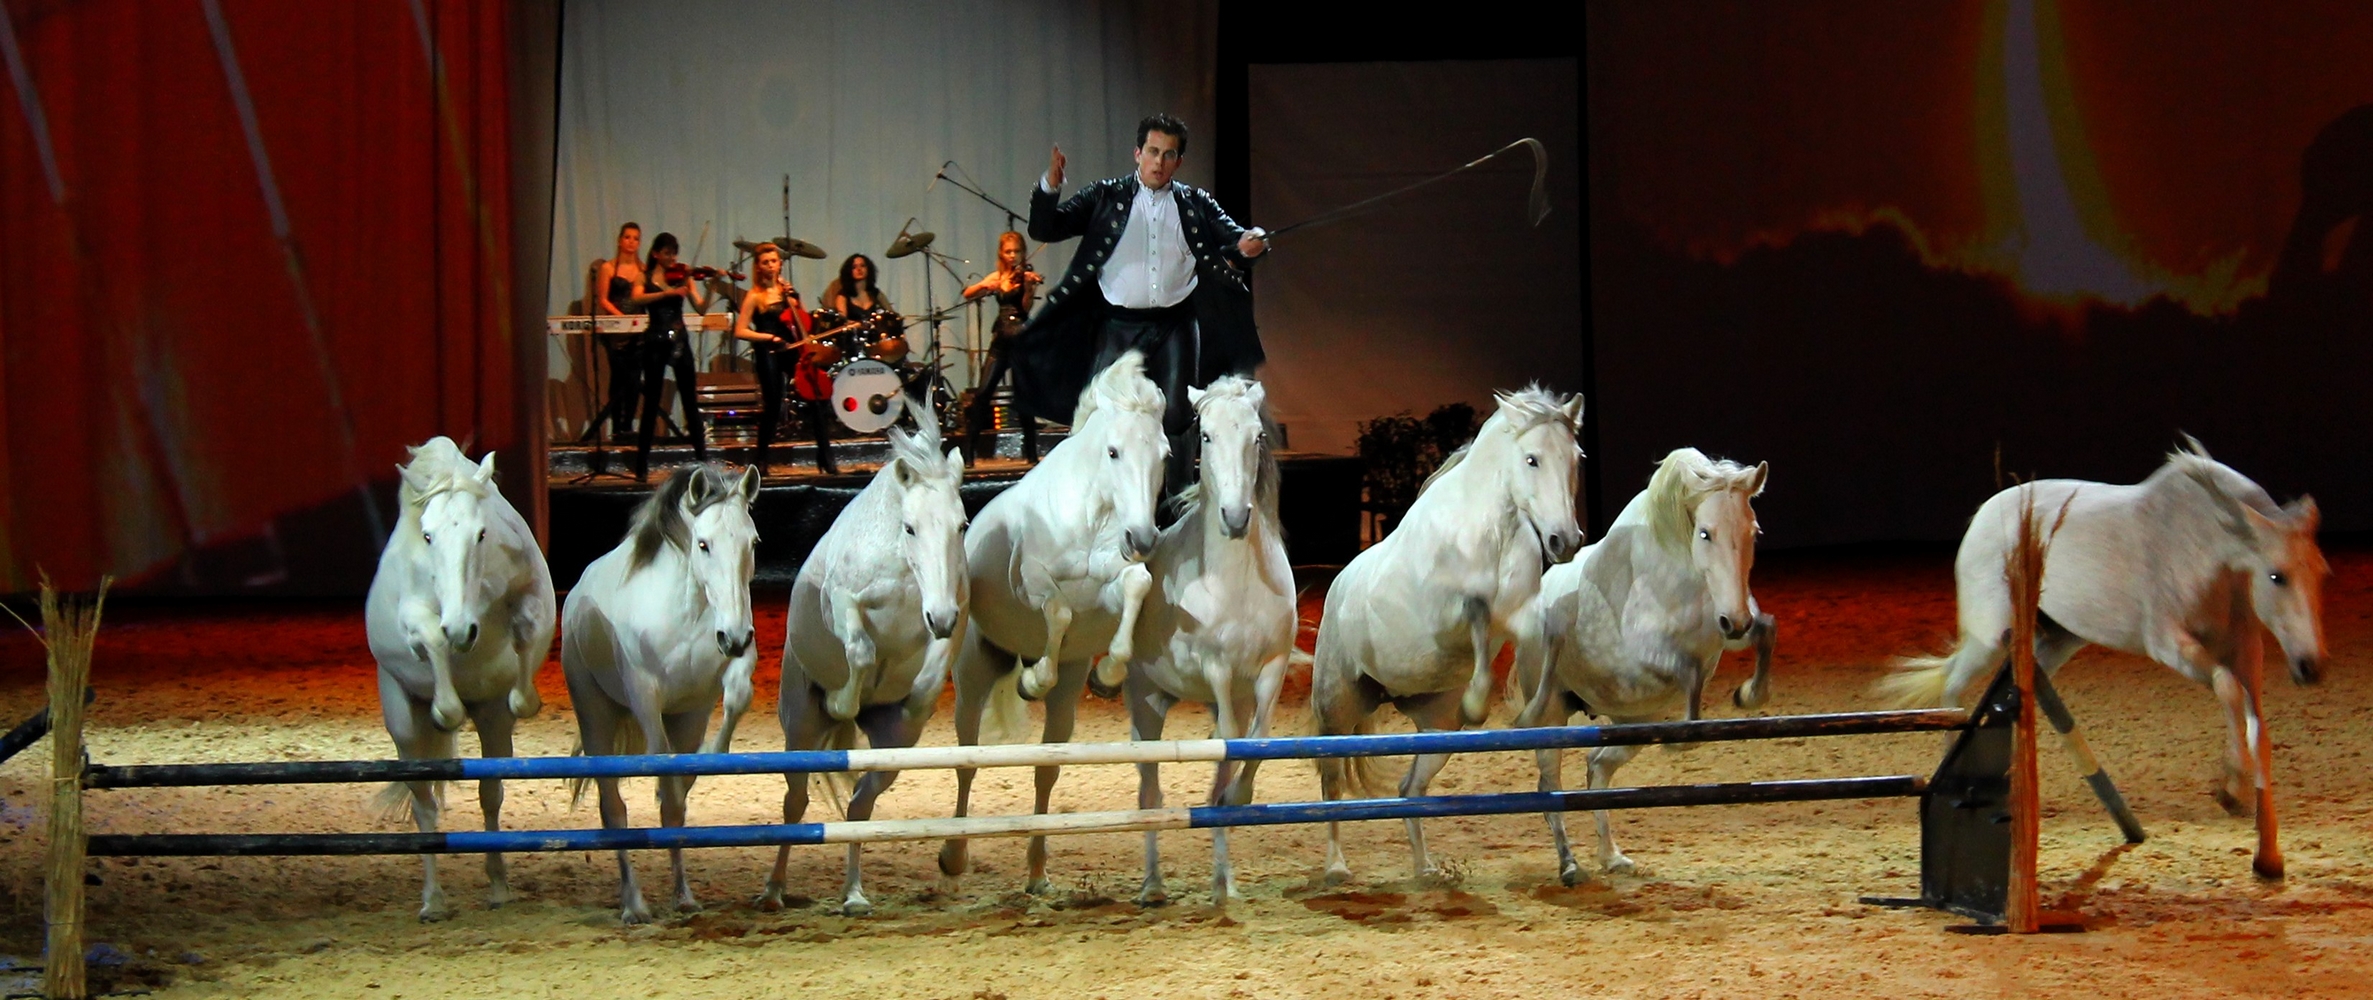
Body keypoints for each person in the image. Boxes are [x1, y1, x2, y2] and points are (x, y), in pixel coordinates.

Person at [1009, 112, 1268, 490]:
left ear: (1178, 161)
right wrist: (1050, 186)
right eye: (1152, 151)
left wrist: (1253, 241)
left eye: (1168, 155)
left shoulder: (1195, 203)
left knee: (1179, 416)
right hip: (1117, 326)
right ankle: (1095, 501)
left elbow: (1239, 238)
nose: (1158, 162)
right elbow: (1045, 228)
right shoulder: (1105, 196)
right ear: (1137, 153)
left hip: (1176, 325)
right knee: (1102, 412)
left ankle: (1178, 504)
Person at [734, 243, 839, 475]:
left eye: (774, 261)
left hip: (792, 350)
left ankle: (826, 456)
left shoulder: (788, 292)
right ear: (758, 268)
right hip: (769, 351)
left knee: (816, 399)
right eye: (765, 262)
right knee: (772, 404)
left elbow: (802, 322)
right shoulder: (754, 296)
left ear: (779, 263)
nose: (770, 266)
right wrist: (769, 337)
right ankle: (760, 459)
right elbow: (740, 330)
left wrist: (794, 300)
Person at [628, 231, 711, 481]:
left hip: (679, 341)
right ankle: (641, 463)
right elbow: (636, 298)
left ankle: (702, 461)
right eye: (667, 253)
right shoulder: (645, 276)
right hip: (655, 340)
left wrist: (712, 285)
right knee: (652, 401)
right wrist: (666, 293)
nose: (672, 257)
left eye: (674, 253)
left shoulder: (683, 277)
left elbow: (702, 307)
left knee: (690, 401)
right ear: (656, 253)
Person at [961, 231, 1043, 465]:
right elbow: (967, 294)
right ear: (1001, 253)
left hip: (1020, 342)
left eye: (1017, 251)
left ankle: (1031, 453)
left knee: (1023, 396)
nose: (1013, 256)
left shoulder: (1025, 278)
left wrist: (1028, 288)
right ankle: (969, 453)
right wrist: (987, 285)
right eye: (1008, 251)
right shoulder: (997, 276)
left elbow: (1025, 310)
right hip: (1000, 342)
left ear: (1023, 253)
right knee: (982, 395)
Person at [587, 222, 646, 439]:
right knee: (619, 377)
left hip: (638, 331)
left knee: (635, 378)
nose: (631, 242)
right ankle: (617, 426)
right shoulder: (608, 268)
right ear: (620, 240)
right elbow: (603, 299)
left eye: (636, 238)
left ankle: (629, 426)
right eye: (628, 237)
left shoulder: (643, 269)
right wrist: (623, 319)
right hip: (616, 329)